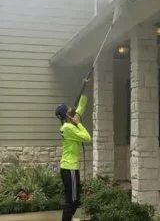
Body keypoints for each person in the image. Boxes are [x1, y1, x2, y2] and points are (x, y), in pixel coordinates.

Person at [55, 80, 92, 221]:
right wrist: (79, 124)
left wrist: (84, 89)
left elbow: (81, 106)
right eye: (69, 109)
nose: (71, 108)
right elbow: (87, 137)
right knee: (72, 201)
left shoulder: (69, 124)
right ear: (67, 115)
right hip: (69, 168)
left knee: (74, 200)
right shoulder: (69, 128)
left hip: (70, 168)